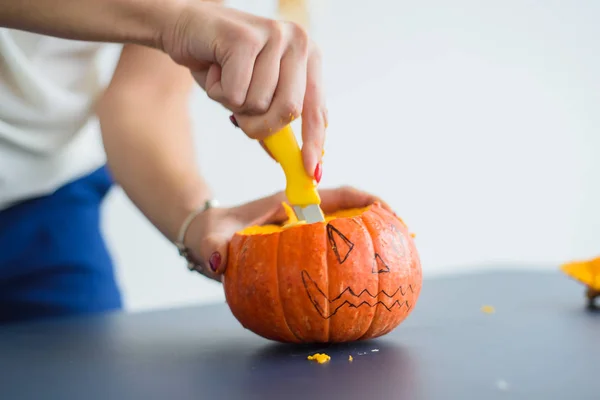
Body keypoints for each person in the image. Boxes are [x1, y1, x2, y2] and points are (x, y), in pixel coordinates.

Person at [0, 0, 389, 324]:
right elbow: (171, 27)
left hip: (48, 206)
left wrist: (197, 218)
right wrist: (171, 19)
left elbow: (143, 100)